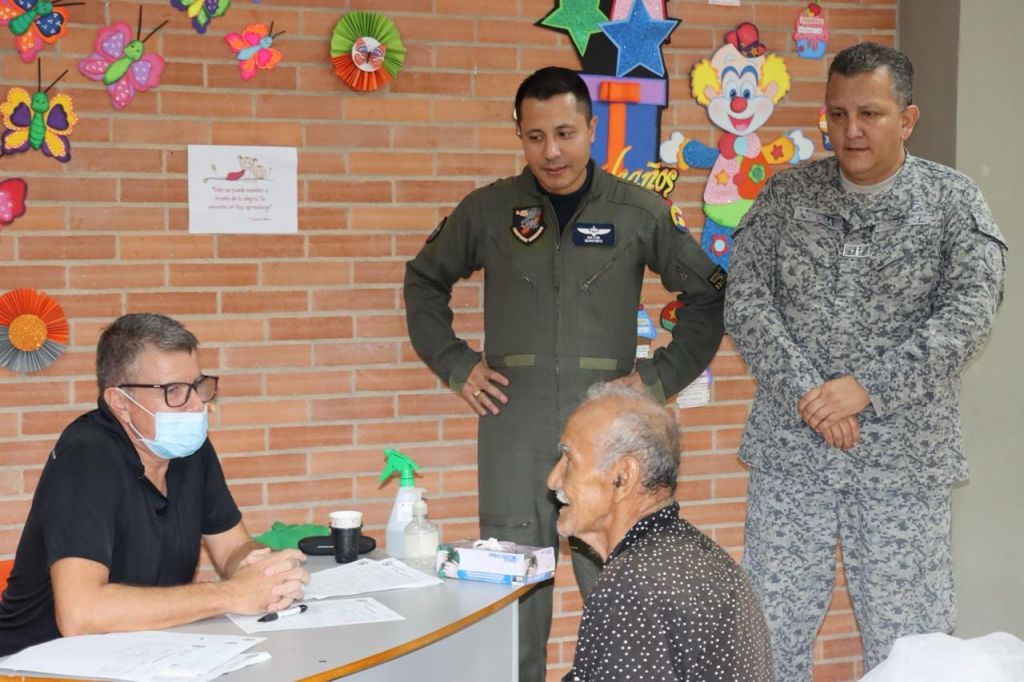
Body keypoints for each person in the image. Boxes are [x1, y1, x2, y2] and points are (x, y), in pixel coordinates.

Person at [403, 66, 726, 679]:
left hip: (607, 432)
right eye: (534, 136)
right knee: (512, 587)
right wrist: (455, 364)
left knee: (623, 581)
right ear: (519, 135)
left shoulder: (638, 211)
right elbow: (423, 280)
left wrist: (656, 382)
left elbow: (708, 294)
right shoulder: (490, 209)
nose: (551, 151)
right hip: (513, 423)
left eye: (565, 133)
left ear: (591, 129)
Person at [725, 42, 1008, 680]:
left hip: (904, 467)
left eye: (871, 114)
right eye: (838, 113)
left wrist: (867, 389)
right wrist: (812, 394)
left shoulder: (952, 205)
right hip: (791, 458)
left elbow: (968, 317)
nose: (851, 130)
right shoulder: (785, 196)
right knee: (767, 635)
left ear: (907, 119)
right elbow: (745, 301)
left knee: (911, 646)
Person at [0, 313, 309, 656]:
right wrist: (233, 594)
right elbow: (80, 614)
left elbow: (232, 548)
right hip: (36, 665)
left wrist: (264, 570)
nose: (196, 405)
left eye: (197, 385)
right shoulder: (86, 458)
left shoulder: (188, 450)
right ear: (120, 403)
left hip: (143, 653)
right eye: (173, 391)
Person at [549, 384, 773, 681]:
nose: (553, 480)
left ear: (623, 477)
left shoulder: (631, 587)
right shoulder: (704, 556)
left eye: (570, 462)